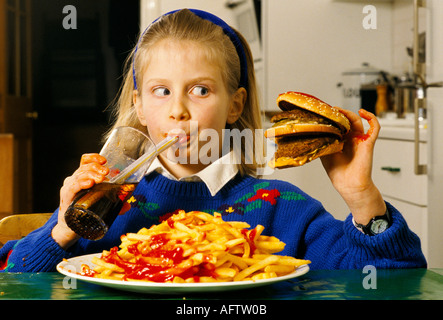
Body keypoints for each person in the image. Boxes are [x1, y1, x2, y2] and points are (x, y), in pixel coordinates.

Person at [0, 9, 426, 272]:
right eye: (161, 91)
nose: (178, 111)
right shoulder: (108, 207)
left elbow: (393, 277)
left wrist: (362, 197)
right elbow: (12, 274)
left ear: (235, 105)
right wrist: (62, 229)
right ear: (140, 105)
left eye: (200, 90)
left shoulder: (281, 207)